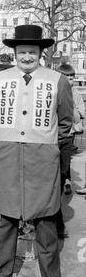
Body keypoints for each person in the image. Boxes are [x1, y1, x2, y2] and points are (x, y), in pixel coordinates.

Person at [0, 25, 73, 277]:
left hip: (41, 160)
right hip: (8, 158)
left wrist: (48, 149)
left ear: (40, 53)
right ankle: (2, 273)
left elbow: (66, 123)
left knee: (46, 223)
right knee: (7, 220)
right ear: (14, 53)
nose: (26, 56)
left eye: (31, 52)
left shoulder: (57, 80)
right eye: (21, 52)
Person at [56, 63, 85, 198]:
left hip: (69, 133)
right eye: (66, 77)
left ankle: (65, 180)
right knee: (54, 161)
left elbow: (81, 114)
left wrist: (71, 107)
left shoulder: (76, 94)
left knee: (65, 160)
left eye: (72, 78)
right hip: (53, 134)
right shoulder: (53, 91)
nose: (70, 80)